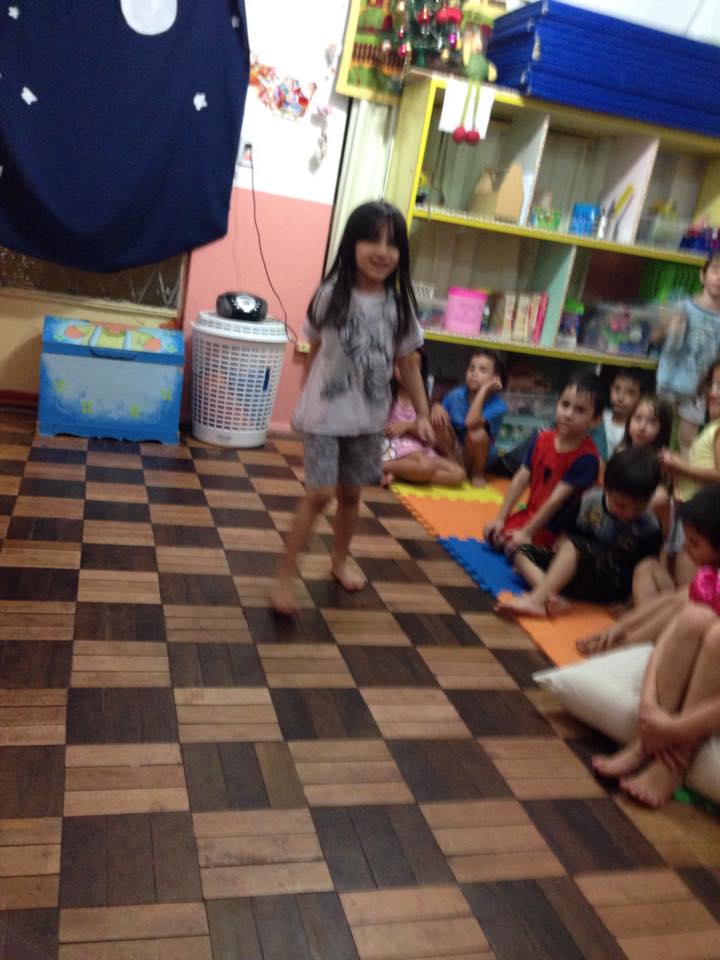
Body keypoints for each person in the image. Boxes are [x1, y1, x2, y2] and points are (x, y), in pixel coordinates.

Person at [271, 201, 433, 614]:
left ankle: (339, 560)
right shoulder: (330, 297)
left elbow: (409, 364)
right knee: (319, 494)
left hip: (369, 419)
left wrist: (422, 414)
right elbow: (315, 350)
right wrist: (306, 401)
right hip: (325, 416)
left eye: (392, 243)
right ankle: (286, 578)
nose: (382, 251)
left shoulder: (399, 308)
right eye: (372, 239)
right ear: (351, 244)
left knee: (350, 493)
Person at [592, 485, 720, 808]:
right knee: (693, 617)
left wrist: (677, 729)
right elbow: (668, 635)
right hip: (671, 709)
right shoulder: (710, 579)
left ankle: (672, 764)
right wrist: (649, 708)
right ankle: (644, 746)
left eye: (695, 544)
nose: (687, 550)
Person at [496, 447, 662, 618]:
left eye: (638, 508)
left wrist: (628, 604)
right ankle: (552, 597)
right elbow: (562, 538)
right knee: (521, 551)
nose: (628, 514)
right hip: (573, 574)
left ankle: (537, 600)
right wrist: (562, 559)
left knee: (573, 547)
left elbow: (645, 572)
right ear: (606, 488)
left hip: (611, 584)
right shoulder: (589, 500)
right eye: (620, 506)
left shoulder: (649, 525)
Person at [576, 482, 720, 656]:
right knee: (648, 569)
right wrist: (622, 626)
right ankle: (635, 639)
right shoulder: (709, 572)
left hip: (703, 637)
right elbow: (673, 598)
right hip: (684, 611)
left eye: (694, 544)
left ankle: (628, 644)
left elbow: (683, 602)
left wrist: (621, 643)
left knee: (686, 605)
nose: (686, 548)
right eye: (687, 541)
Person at [483, 371, 603, 555]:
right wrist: (500, 518)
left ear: (595, 420)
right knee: (493, 535)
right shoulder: (541, 439)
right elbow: (521, 478)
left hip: (558, 530)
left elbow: (556, 500)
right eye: (565, 405)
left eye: (580, 410)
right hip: (532, 514)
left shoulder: (587, 458)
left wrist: (527, 533)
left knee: (516, 550)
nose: (568, 414)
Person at [653, 251, 720, 456]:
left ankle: (682, 475)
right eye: (716, 270)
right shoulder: (682, 306)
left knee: (688, 442)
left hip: (697, 389)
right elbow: (655, 338)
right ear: (702, 275)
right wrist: (668, 326)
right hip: (668, 382)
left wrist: (709, 384)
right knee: (659, 434)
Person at [382, 349, 465, 487]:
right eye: (400, 366)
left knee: (459, 474)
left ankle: (403, 474)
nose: (405, 372)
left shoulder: (422, 400)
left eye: (413, 367)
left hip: (420, 447)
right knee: (426, 466)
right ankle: (380, 467)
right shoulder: (388, 395)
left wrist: (407, 426)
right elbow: (384, 429)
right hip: (397, 448)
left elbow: (428, 433)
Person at [430, 350, 507, 487]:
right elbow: (437, 413)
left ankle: (477, 473)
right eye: (471, 368)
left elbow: (471, 422)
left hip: (479, 455)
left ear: (495, 379)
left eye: (482, 370)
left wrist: (483, 391)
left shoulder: (498, 406)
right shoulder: (455, 395)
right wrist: (436, 407)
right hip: (455, 452)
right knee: (438, 421)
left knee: (477, 433)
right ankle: (455, 466)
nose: (474, 373)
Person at [592, 368, 643, 460]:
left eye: (630, 393)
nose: (620, 398)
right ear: (610, 388)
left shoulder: (635, 430)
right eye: (617, 389)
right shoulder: (599, 416)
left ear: (640, 398)